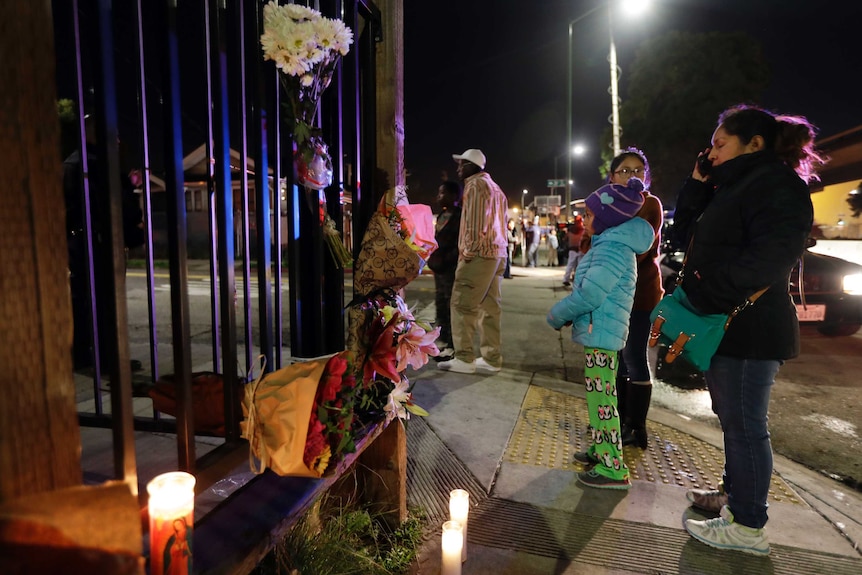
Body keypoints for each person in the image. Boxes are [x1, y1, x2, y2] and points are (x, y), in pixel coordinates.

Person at [675, 105, 826, 555]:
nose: (711, 152)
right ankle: (734, 497)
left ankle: (748, 527)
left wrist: (705, 292)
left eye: (720, 144)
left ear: (754, 144)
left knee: (745, 426)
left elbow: (769, 259)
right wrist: (698, 183)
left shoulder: (778, 187)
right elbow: (685, 236)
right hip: (727, 322)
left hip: (751, 325)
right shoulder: (732, 186)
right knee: (732, 420)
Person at [546, 177, 653, 490]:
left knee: (603, 400)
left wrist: (558, 314)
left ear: (607, 218)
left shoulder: (612, 251)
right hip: (602, 332)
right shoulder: (611, 245)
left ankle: (612, 468)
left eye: (590, 215)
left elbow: (591, 295)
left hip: (601, 335)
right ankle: (601, 449)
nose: (585, 220)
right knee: (600, 397)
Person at [606, 148, 664, 450]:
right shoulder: (604, 203)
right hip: (609, 293)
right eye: (625, 170)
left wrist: (606, 247)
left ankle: (636, 427)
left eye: (638, 170)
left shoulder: (650, 204)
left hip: (640, 293)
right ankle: (615, 419)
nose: (632, 175)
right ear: (612, 176)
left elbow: (638, 247)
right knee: (615, 358)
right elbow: (591, 239)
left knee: (634, 357)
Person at [438, 149, 508, 375]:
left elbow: (475, 225)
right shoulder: (496, 188)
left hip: (479, 255)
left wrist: (467, 252)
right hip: (497, 254)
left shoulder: (475, 185)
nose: (459, 169)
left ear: (473, 166)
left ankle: (465, 358)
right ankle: (491, 358)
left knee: (461, 304)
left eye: (462, 165)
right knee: (490, 308)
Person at [427, 180, 463, 361]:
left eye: (443, 193)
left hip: (451, 269)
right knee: (440, 303)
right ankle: (441, 339)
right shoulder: (441, 215)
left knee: (451, 305)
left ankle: (452, 344)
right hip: (439, 268)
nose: (439, 196)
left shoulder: (460, 215)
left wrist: (446, 259)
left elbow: (460, 244)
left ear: (454, 196)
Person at [562, 216, 585, 288]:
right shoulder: (583, 230)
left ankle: (566, 279)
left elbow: (564, 239)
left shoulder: (571, 230)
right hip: (581, 250)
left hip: (572, 250)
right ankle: (578, 280)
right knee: (580, 266)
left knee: (570, 265)